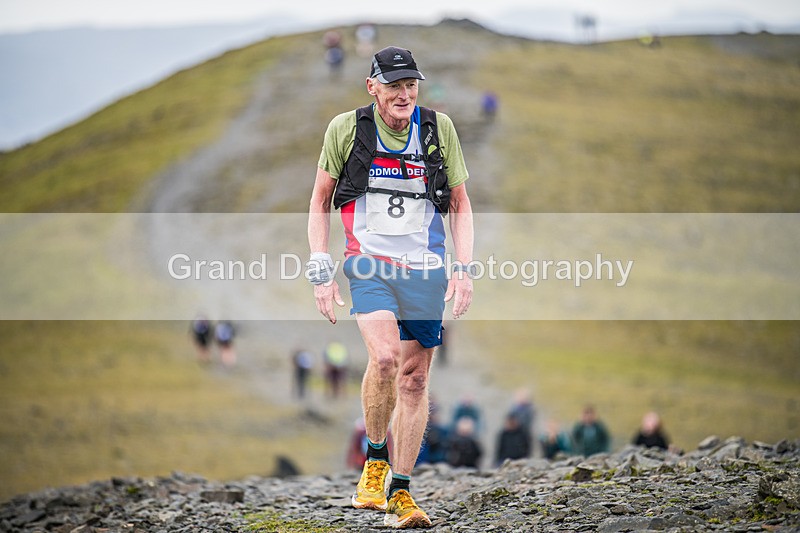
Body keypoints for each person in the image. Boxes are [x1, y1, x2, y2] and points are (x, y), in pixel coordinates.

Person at [307, 45, 474, 529]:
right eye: (394, 86)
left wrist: (464, 269)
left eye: (411, 86)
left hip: (425, 268)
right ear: (372, 88)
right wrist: (320, 268)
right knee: (384, 359)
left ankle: (400, 492)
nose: (404, 95)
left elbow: (460, 203)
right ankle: (375, 457)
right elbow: (319, 200)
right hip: (369, 264)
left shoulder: (438, 130)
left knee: (415, 379)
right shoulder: (347, 129)